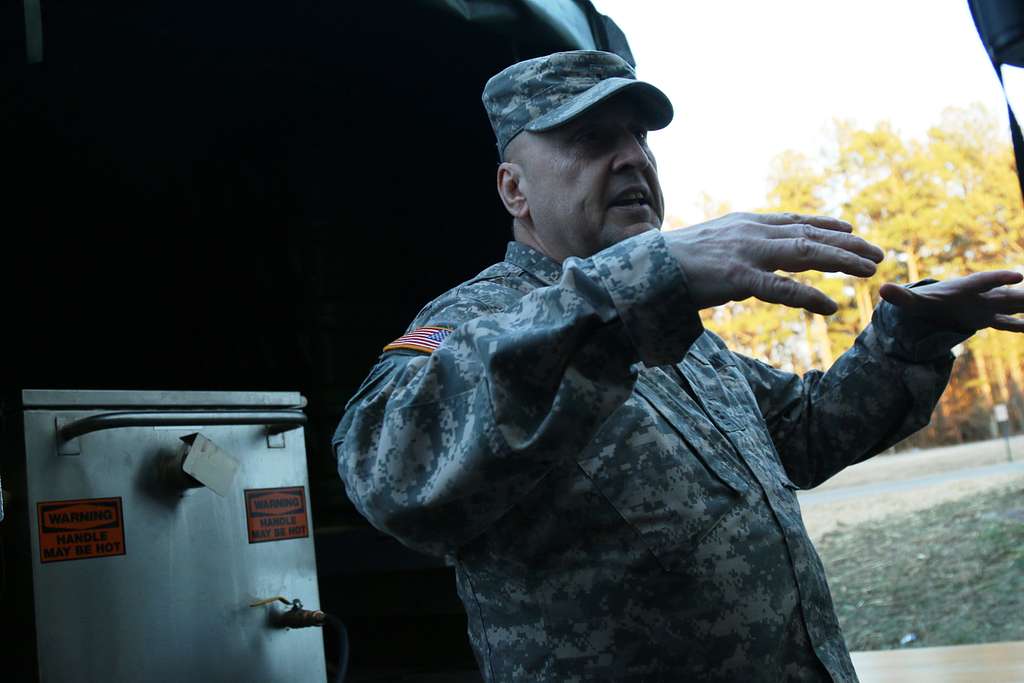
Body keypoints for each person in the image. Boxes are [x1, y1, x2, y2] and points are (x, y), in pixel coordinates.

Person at [333, 50, 1024, 682]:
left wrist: (908, 337)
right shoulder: (474, 319)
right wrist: (634, 285)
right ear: (515, 190)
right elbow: (381, 466)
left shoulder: (667, 325)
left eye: (640, 138)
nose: (633, 158)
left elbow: (807, 432)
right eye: (592, 139)